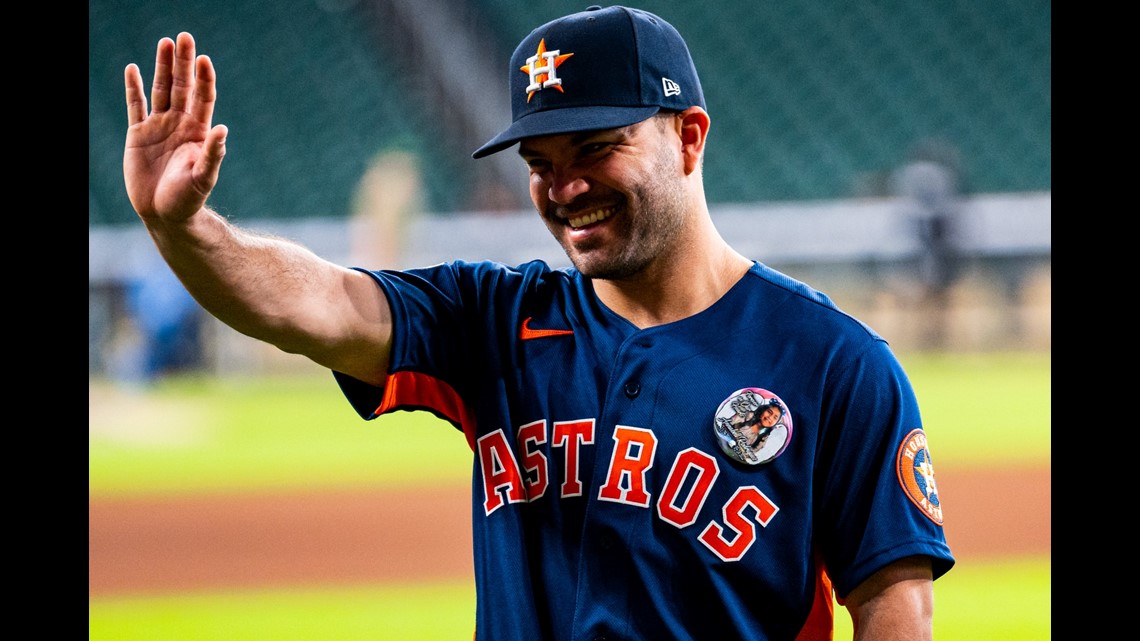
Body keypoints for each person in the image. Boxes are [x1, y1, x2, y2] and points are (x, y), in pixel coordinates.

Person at [122, 5, 954, 639]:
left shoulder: (833, 362)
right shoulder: (491, 320)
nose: (565, 188)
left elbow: (894, 607)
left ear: (689, 137)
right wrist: (186, 230)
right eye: (540, 164)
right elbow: (314, 302)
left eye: (594, 149)